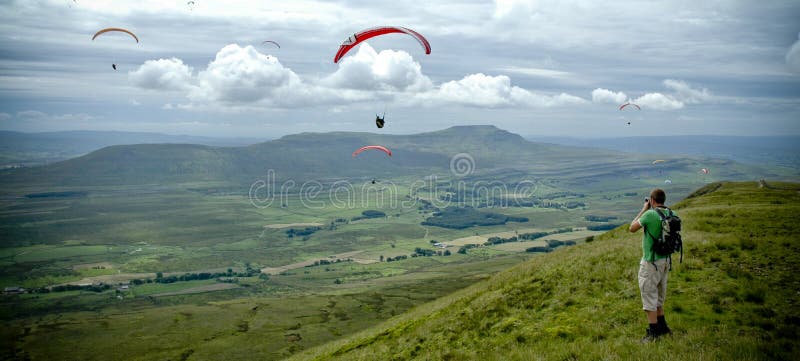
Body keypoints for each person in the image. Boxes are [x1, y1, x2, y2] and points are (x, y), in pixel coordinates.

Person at [628, 188, 674, 342]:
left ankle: (653, 334)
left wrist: (643, 209)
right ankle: (663, 328)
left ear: (652, 200)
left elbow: (632, 228)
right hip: (665, 261)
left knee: (649, 297)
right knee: (659, 297)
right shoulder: (671, 213)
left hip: (651, 262)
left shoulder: (649, 214)